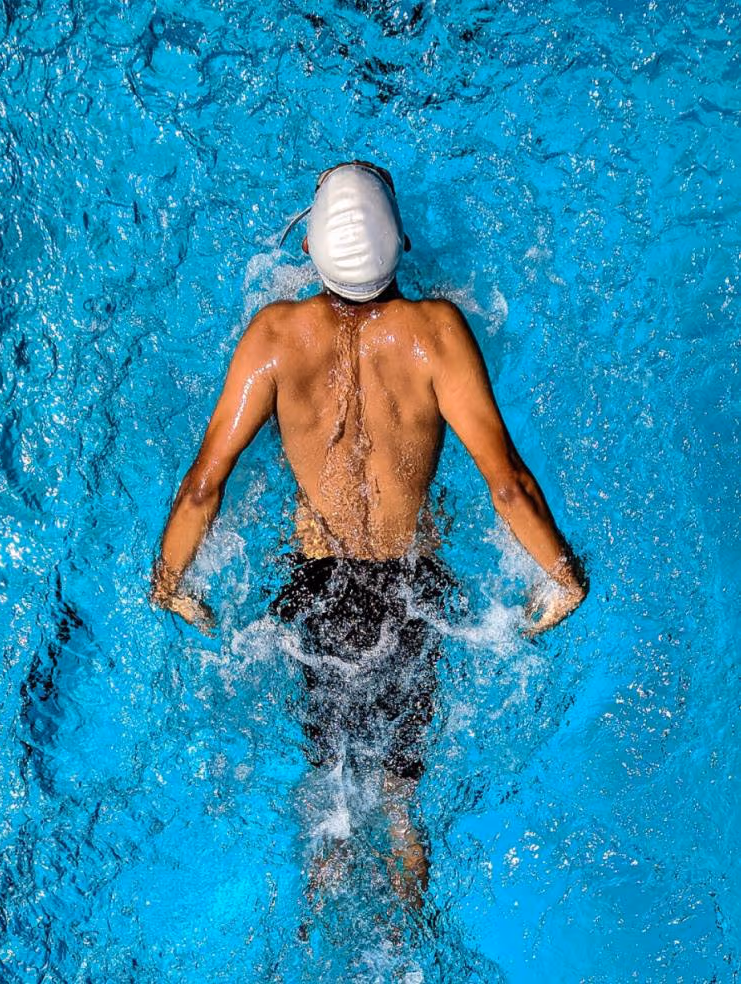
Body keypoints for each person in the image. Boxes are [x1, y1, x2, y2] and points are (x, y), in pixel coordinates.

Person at [150, 160, 588, 914]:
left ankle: (313, 931)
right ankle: (411, 948)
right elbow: (508, 482)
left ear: (311, 250)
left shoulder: (275, 336)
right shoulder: (437, 332)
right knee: (399, 803)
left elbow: (202, 486)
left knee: (334, 804)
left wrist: (169, 584)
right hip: (411, 595)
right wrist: (563, 576)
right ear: (400, 242)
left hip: (318, 595)